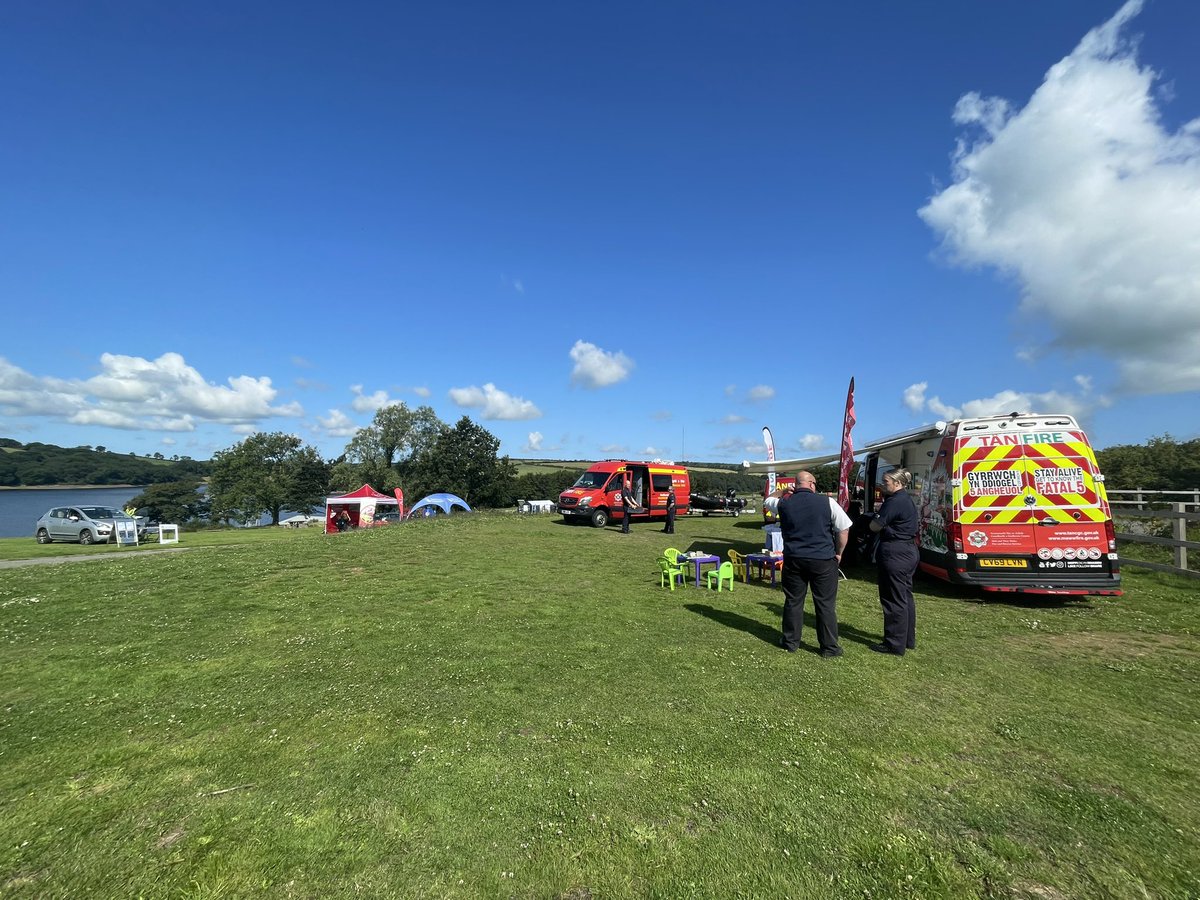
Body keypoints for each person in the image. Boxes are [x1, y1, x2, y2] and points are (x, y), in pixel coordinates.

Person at [777, 470, 851, 658]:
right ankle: (829, 647)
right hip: (823, 559)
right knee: (825, 604)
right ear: (812, 484)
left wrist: (784, 491)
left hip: (794, 559)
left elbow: (767, 500)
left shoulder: (784, 503)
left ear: (796, 484)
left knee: (793, 601)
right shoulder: (828, 502)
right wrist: (839, 553)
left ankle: (790, 642)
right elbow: (843, 529)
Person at [869, 468, 919, 655]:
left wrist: (874, 517)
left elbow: (875, 526)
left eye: (886, 482)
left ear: (897, 483)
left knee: (893, 598)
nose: (883, 485)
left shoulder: (894, 501)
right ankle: (906, 639)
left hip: (895, 551)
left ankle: (894, 644)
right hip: (908, 550)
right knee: (905, 595)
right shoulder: (906, 499)